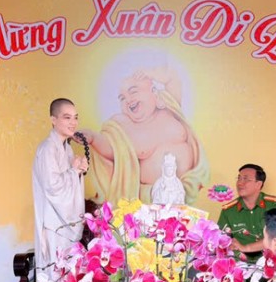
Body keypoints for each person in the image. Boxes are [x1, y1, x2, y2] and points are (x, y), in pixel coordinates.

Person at [78, 69, 209, 205]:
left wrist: (151, 74)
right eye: (122, 98)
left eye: (133, 91)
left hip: (183, 190)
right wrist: (93, 138)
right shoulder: (124, 124)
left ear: (154, 92)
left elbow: (172, 79)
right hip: (151, 198)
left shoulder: (168, 107)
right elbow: (113, 149)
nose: (128, 100)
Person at [32, 98, 88, 276]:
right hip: (54, 224)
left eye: (75, 117)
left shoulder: (67, 149)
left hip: (64, 221)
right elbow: (52, 187)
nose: (73, 122)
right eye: (67, 117)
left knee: (70, 277)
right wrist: (74, 171)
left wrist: (78, 171)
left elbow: (68, 182)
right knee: (56, 276)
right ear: (53, 120)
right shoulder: (48, 148)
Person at [216, 164, 276, 261]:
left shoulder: (275, 204)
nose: (240, 183)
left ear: (258, 184)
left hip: (272, 263)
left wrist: (246, 248)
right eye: (239, 178)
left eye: (246, 179)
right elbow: (222, 241)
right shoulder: (228, 210)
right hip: (241, 265)